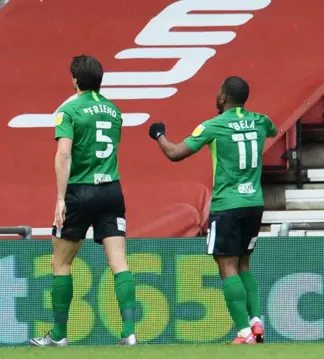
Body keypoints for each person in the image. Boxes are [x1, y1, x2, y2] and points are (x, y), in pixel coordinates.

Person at [149, 76, 277, 344]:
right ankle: (255, 321)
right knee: (244, 264)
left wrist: (159, 134)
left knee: (227, 266)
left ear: (222, 98)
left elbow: (174, 153)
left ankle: (243, 332)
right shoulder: (261, 120)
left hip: (227, 204)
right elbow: (272, 131)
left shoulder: (213, 126)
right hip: (254, 203)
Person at [30, 55, 137, 347]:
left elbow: (64, 154)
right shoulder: (114, 112)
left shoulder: (69, 111)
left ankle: (59, 335)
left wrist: (60, 199)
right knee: (120, 263)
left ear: (74, 80)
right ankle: (129, 332)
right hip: (112, 189)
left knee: (61, 263)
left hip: (80, 190)